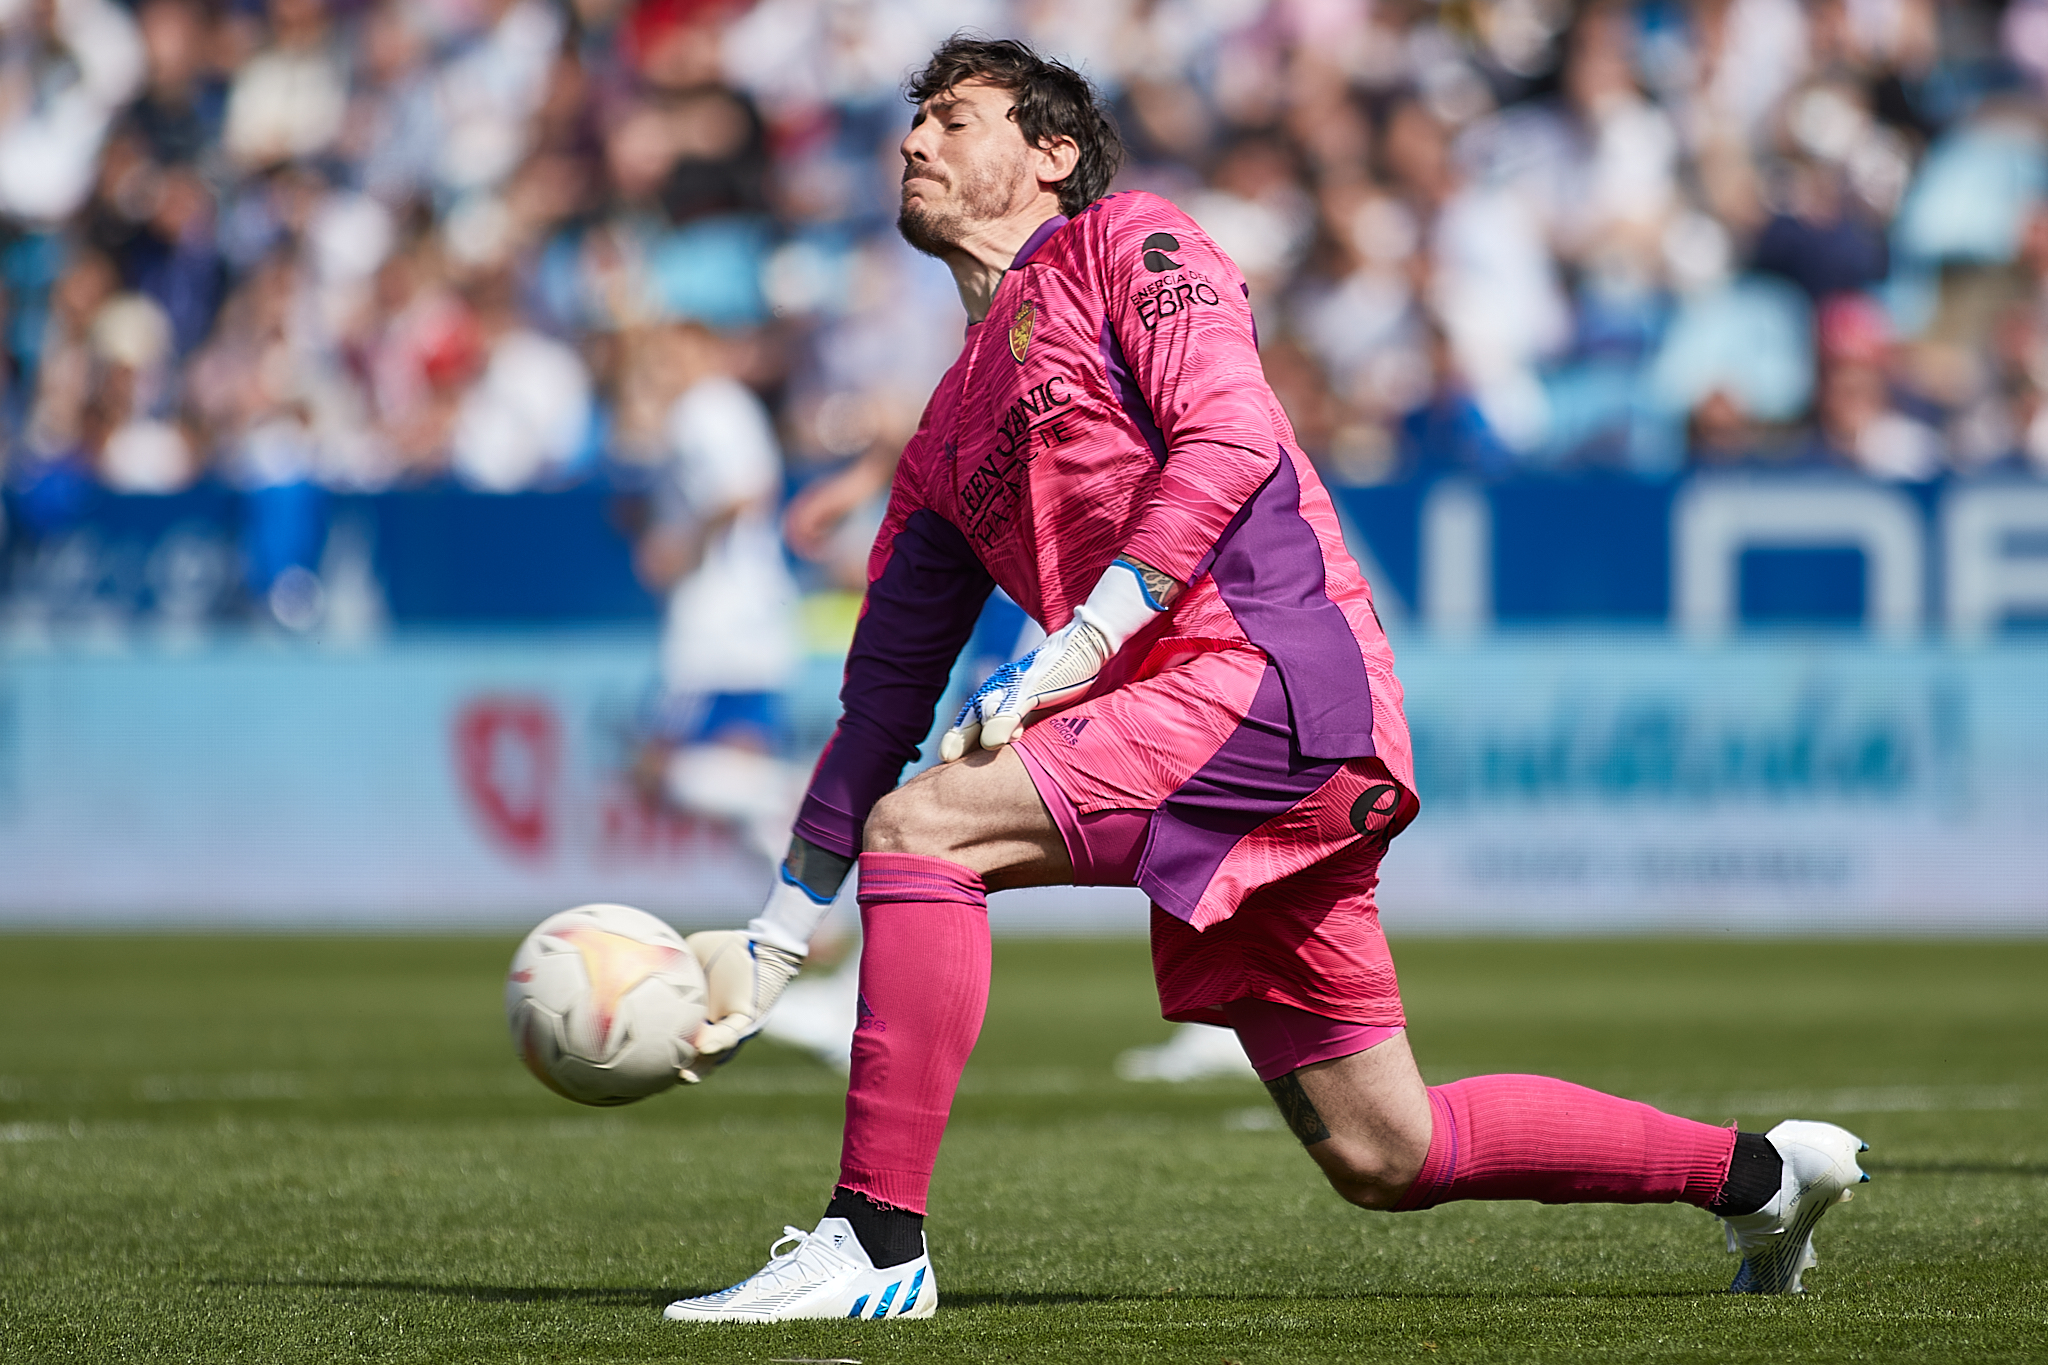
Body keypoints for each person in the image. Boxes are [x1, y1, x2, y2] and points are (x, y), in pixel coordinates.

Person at [666, 37, 1869, 1324]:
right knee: (1385, 1152)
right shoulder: (944, 433)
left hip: (1269, 684)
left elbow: (1231, 432)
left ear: (1051, 155)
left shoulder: (1129, 241)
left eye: (953, 120)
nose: (913, 143)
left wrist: (1085, 641)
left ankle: (874, 1243)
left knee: (927, 832)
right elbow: (879, 710)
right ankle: (1757, 1175)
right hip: (1212, 731)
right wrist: (777, 936)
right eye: (912, 124)